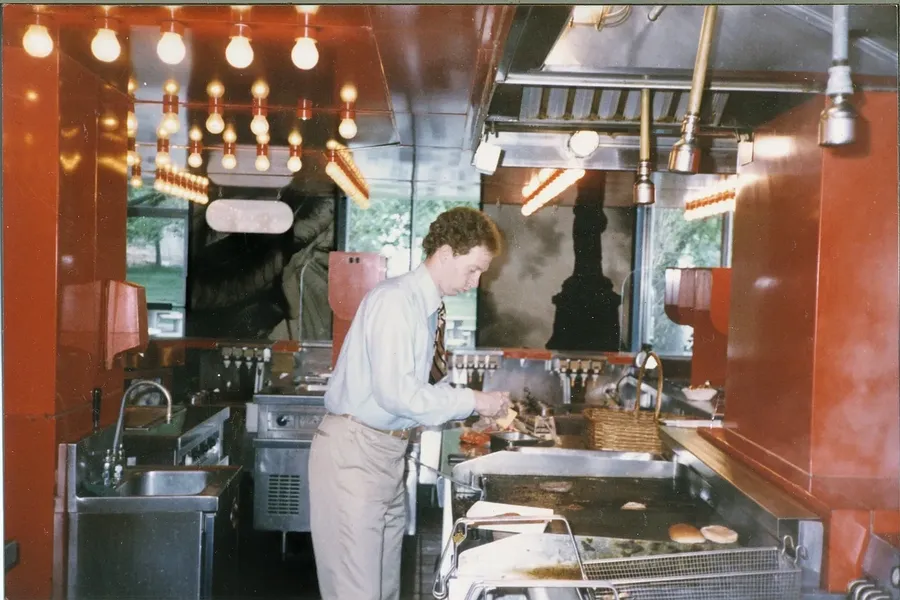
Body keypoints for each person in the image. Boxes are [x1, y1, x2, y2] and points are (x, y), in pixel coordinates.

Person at [308, 207, 510, 600]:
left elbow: (421, 385)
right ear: (446, 253)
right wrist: (473, 400)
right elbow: (397, 394)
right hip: (355, 453)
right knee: (357, 592)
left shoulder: (426, 308)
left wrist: (474, 409)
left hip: (385, 454)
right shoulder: (396, 301)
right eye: (472, 269)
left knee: (383, 588)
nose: (475, 282)